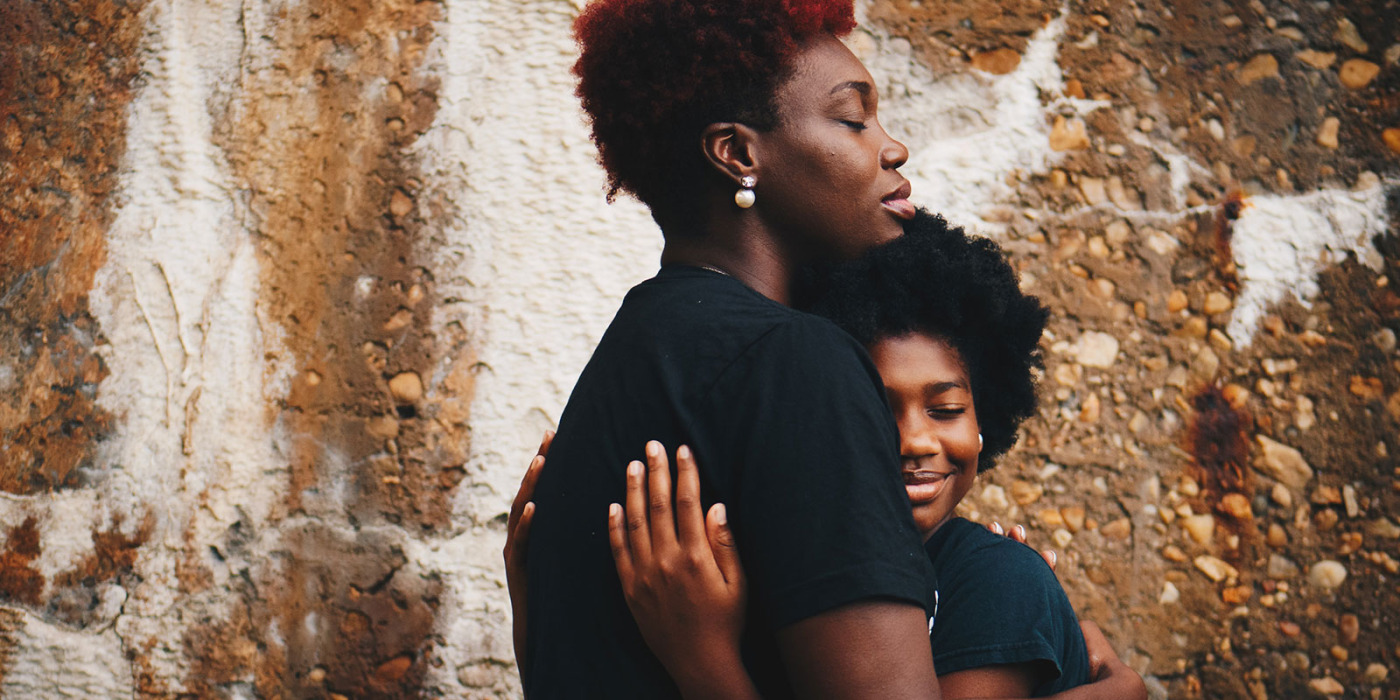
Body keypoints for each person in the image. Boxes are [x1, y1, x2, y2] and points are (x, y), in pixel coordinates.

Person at [507, 213, 1148, 700]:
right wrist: (545, 606)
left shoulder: (996, 583)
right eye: (873, 410)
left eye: (946, 409)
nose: (915, 441)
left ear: (987, 425)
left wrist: (703, 659)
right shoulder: (789, 576)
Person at [522, 0, 949, 696]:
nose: (892, 147)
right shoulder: (795, 363)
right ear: (739, 154)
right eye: (853, 119)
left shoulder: (634, 354)